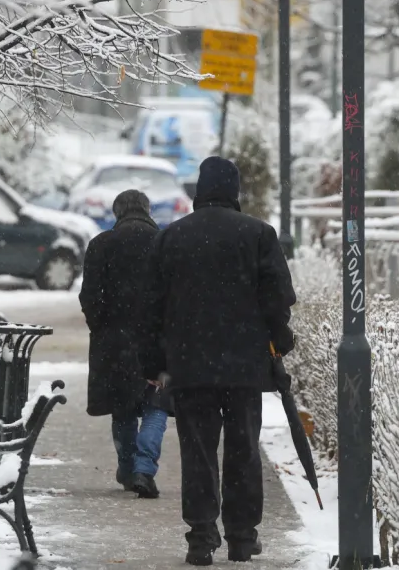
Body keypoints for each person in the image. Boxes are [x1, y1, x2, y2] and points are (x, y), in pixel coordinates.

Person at [142, 156, 297, 566]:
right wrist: (279, 342)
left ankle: (200, 535)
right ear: (235, 191)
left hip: (190, 365)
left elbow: (152, 308)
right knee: (244, 448)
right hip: (245, 367)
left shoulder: (171, 237)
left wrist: (153, 364)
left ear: (198, 191)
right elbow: (277, 298)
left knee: (198, 450)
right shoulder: (258, 234)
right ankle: (242, 537)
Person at [79, 190, 172, 499]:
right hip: (156, 338)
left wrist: (102, 327)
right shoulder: (163, 243)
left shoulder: (101, 245)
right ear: (147, 211)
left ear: (117, 213)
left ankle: (128, 467)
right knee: (155, 405)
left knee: (123, 408)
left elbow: (89, 297)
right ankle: (145, 469)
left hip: (114, 341)